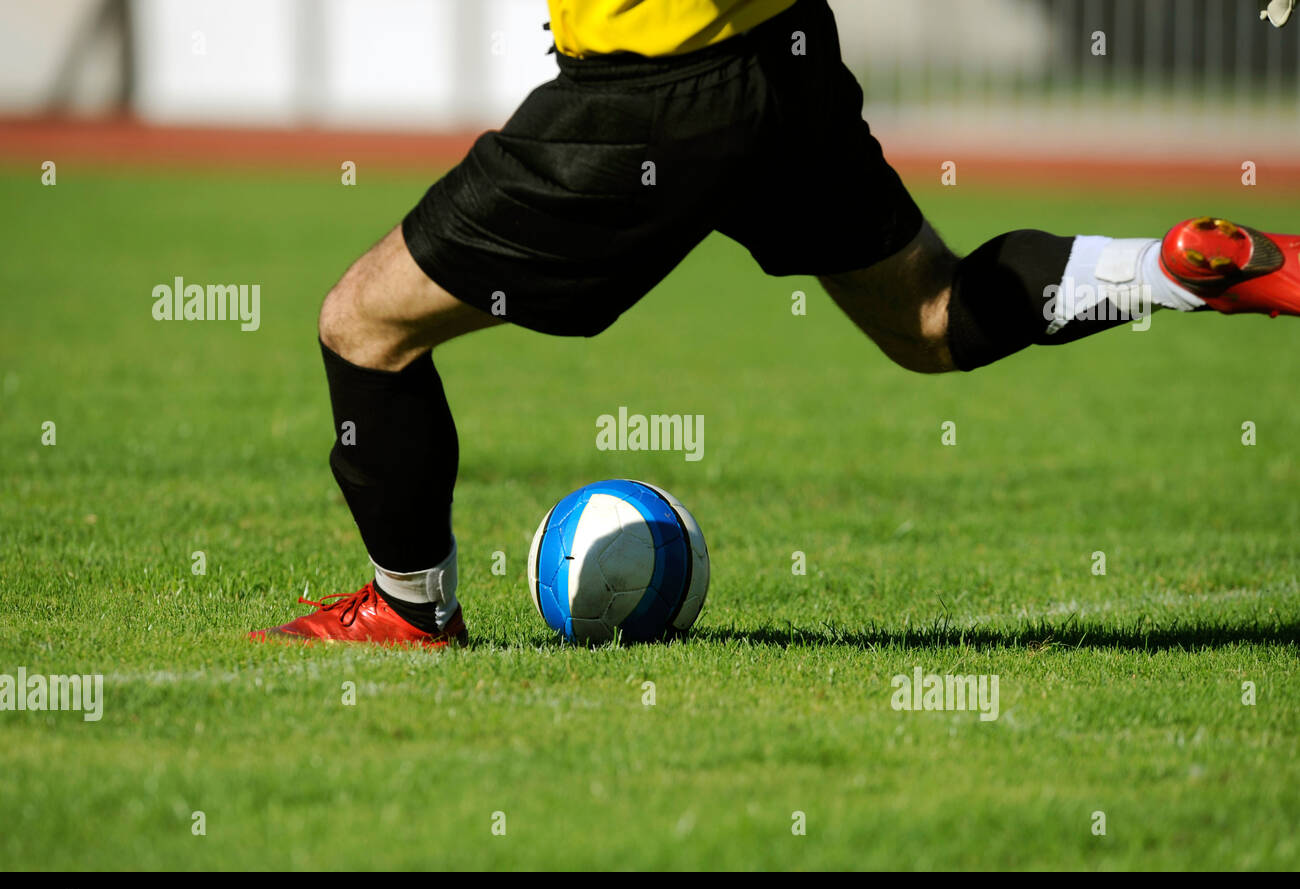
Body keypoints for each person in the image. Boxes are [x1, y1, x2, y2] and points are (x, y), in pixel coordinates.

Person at [250, 0, 1300, 647]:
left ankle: (410, 609)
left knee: (363, 322)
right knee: (930, 314)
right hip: (781, 62)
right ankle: (1173, 271)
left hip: (646, 99)